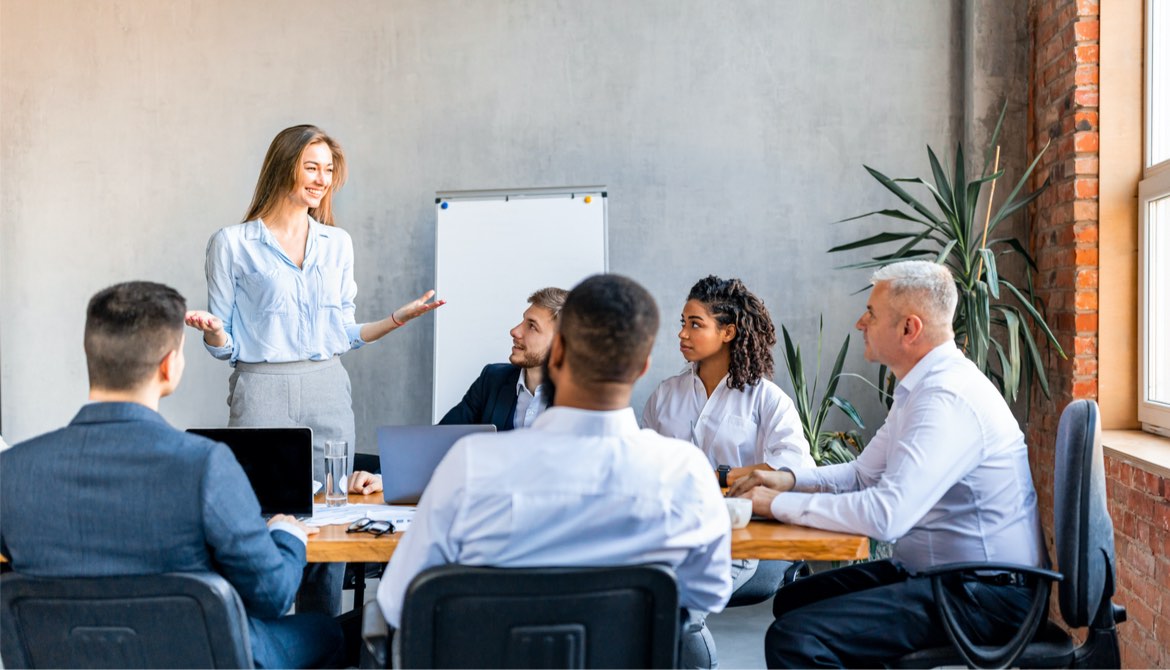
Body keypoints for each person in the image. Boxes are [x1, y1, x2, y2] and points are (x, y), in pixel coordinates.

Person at [376, 274, 732, 668]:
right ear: (642, 366)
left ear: (556, 352)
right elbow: (708, 594)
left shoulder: (471, 464)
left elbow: (397, 602)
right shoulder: (685, 473)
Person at [0, 281, 342, 669]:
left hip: (70, 658)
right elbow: (271, 595)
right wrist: (287, 534)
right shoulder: (205, 465)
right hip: (200, 657)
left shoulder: (11, 472)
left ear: (90, 355)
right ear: (169, 365)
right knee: (327, 632)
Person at [728, 261, 1046, 668]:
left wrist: (770, 504)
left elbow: (885, 516)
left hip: (984, 596)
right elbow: (861, 474)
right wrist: (784, 479)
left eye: (872, 313)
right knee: (794, 600)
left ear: (909, 329)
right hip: (943, 576)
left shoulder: (945, 398)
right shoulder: (920, 389)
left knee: (795, 639)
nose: (861, 322)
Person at [184, 124, 442, 614]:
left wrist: (397, 318)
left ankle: (319, 639)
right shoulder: (233, 243)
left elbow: (344, 332)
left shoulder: (337, 243)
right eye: (312, 167)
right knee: (261, 519)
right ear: (284, 166)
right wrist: (212, 331)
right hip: (260, 388)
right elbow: (226, 343)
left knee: (331, 520)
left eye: (328, 170)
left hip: (326, 386)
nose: (322, 179)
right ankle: (263, 638)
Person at [642, 275, 812, 593]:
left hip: (741, 541)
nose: (682, 333)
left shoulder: (767, 399)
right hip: (671, 535)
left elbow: (794, 471)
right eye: (683, 323)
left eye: (695, 324)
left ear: (727, 332)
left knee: (667, 600)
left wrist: (721, 476)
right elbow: (642, 465)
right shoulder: (665, 394)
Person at [347, 287, 567, 496]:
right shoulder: (493, 380)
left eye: (532, 326)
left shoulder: (576, 400)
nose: (515, 331)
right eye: (522, 320)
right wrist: (385, 478)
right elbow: (438, 444)